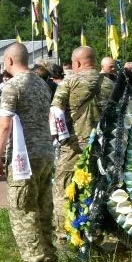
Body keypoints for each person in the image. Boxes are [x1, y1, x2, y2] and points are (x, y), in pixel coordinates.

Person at [0, 43, 57, 262]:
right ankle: (49, 256)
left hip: (23, 156)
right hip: (45, 151)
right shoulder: (41, 83)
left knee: (23, 208)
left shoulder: (12, 87)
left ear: (9, 60)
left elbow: (4, 124)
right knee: (43, 206)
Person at [50, 47, 114, 236]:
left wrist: (59, 138)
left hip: (75, 144)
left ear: (76, 63)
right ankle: (101, 229)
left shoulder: (70, 81)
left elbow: (56, 112)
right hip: (104, 144)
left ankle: (64, 231)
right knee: (99, 184)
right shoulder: (109, 84)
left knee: (63, 185)